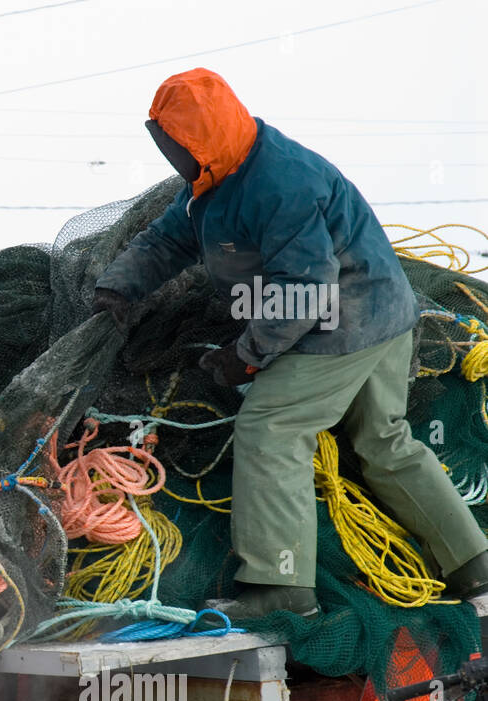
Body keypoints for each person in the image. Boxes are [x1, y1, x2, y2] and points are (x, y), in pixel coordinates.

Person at [91, 67, 488, 620]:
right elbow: (170, 239)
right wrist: (118, 285)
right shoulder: (216, 179)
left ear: (202, 137)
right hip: (387, 310)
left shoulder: (281, 182)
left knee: (270, 428)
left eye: (175, 145)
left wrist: (246, 356)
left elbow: (305, 290)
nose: (171, 157)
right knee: (384, 440)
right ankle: (474, 564)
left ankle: (282, 587)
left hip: (341, 323)